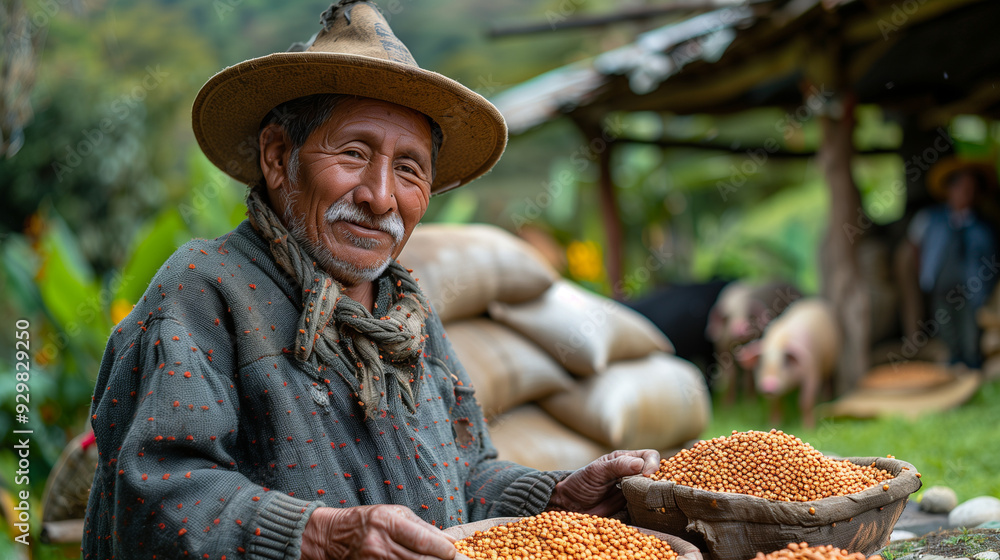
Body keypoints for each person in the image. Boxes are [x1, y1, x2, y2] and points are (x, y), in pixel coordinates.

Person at [82, 2, 659, 559]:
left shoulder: (405, 314)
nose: (380, 196)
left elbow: (465, 471)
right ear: (280, 157)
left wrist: (554, 496)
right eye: (354, 153)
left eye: (409, 169)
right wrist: (321, 536)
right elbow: (156, 494)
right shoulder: (204, 290)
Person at [907, 156, 999, 368]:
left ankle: (973, 371)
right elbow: (914, 242)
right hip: (942, 288)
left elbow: (991, 258)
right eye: (961, 187)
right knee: (946, 332)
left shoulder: (983, 227)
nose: (966, 192)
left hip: (970, 291)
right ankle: (954, 371)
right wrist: (924, 270)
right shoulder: (932, 219)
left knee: (970, 335)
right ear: (950, 189)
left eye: (971, 188)